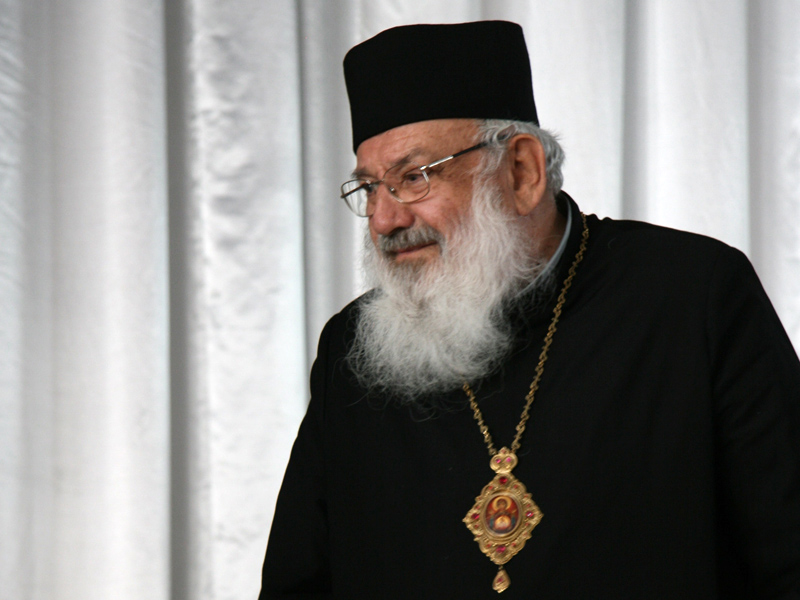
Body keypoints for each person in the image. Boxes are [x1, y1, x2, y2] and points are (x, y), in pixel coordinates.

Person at [259, 21, 800, 599]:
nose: (384, 220)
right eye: (369, 188)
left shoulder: (693, 296)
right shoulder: (351, 349)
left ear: (522, 172)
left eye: (413, 178)